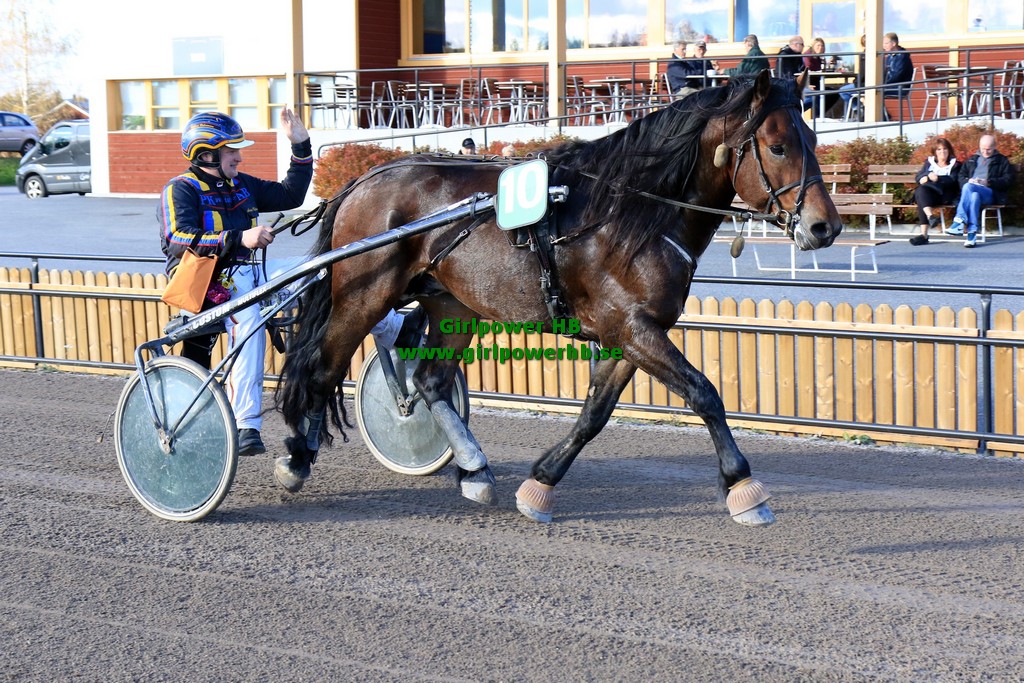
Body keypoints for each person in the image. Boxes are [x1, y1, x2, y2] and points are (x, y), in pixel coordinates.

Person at [160, 111, 418, 456]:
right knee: (248, 318)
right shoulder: (180, 189)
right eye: (231, 151)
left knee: (324, 270)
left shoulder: (241, 184)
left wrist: (300, 144)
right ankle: (245, 423)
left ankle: (396, 329)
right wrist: (238, 238)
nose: (239, 157)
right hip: (205, 282)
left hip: (250, 273)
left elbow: (290, 195)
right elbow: (177, 239)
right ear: (206, 155)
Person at [944, 134, 1016, 248]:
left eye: (989, 149)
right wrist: (969, 180)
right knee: (974, 196)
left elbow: (1008, 180)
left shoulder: (1002, 160)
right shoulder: (972, 159)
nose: (985, 152)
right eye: (983, 149)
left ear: (994, 147)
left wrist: (988, 182)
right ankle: (971, 234)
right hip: (973, 190)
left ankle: (959, 220)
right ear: (979, 146)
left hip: (991, 193)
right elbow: (961, 176)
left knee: (969, 187)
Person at [909, 138, 960, 246]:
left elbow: (953, 180)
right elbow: (918, 176)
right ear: (935, 152)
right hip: (930, 195)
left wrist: (937, 179)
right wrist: (925, 176)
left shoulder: (955, 164)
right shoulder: (929, 163)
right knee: (921, 191)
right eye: (939, 149)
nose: (942, 152)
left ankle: (924, 235)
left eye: (945, 149)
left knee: (920, 195)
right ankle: (930, 217)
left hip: (946, 195)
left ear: (949, 150)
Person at [882, 32, 914, 120]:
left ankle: (884, 117)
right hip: (890, 85)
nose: (884, 46)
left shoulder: (902, 57)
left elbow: (897, 75)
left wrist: (883, 83)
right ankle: (884, 116)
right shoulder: (890, 56)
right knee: (874, 90)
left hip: (900, 87)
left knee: (875, 91)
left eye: (886, 43)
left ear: (893, 44)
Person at [838, 35, 866, 117]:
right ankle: (859, 108)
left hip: (863, 85)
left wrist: (856, 81)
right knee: (844, 88)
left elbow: (863, 73)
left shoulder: (864, 55)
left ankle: (857, 108)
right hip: (864, 83)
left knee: (842, 91)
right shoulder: (867, 54)